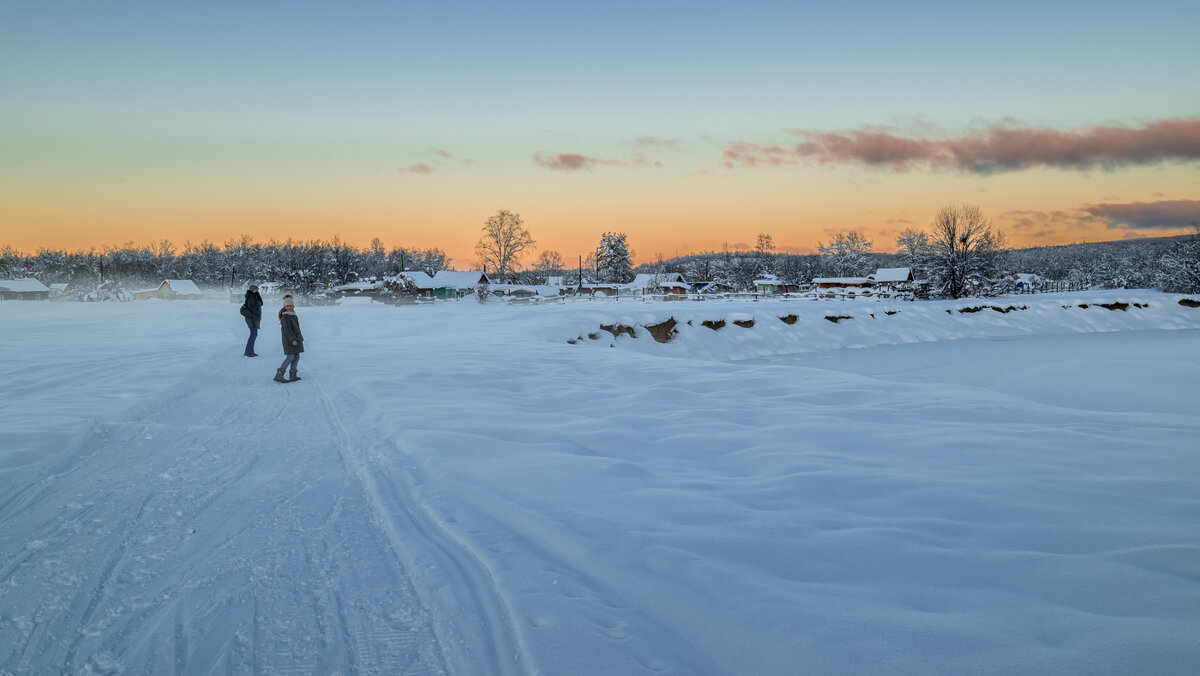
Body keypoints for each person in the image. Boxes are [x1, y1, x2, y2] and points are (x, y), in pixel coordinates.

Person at [274, 294, 304, 383]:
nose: (289, 307)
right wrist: (293, 339)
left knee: (297, 356)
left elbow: (297, 328)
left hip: (296, 339)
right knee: (291, 357)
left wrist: (299, 338)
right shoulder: (285, 317)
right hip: (289, 340)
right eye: (287, 306)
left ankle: (293, 375)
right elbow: (288, 330)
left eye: (291, 305)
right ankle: (279, 374)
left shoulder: (294, 315)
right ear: (284, 306)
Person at [242, 283, 264, 356]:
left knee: (254, 334)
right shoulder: (251, 296)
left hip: (253, 318)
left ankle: (250, 351)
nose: (257, 290)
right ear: (252, 290)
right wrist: (257, 311)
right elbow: (252, 306)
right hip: (252, 318)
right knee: (253, 334)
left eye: (257, 289)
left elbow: (261, 303)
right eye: (256, 289)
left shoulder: (253, 296)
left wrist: (258, 295)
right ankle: (248, 351)